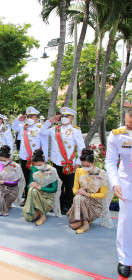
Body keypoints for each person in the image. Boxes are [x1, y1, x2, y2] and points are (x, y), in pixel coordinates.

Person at [39, 107, 85, 215]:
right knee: (57, 184)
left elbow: (81, 148)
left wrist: (78, 162)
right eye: (62, 116)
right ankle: (57, 204)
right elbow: (42, 132)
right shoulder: (54, 129)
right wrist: (50, 121)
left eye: (66, 116)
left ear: (71, 118)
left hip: (69, 163)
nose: (64, 118)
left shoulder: (75, 131)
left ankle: (67, 205)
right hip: (56, 162)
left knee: (68, 185)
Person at [105, 108, 132, 278]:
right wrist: (115, 184)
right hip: (126, 181)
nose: (128, 128)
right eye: (127, 124)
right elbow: (110, 161)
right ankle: (125, 260)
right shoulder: (117, 135)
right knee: (126, 221)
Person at [12, 107, 48, 206]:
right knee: (26, 179)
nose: (30, 118)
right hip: (25, 158)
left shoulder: (40, 128)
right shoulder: (23, 126)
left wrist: (45, 159)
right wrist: (19, 119)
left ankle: (37, 200)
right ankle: (27, 198)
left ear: (37, 118)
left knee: (37, 180)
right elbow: (13, 127)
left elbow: (45, 144)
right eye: (28, 116)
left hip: (36, 160)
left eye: (32, 116)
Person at [66, 148, 107, 234]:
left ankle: (84, 224)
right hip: (81, 197)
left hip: (94, 202)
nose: (85, 168)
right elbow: (74, 189)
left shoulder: (99, 173)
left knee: (80, 198)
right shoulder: (79, 171)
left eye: (88, 166)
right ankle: (82, 221)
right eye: (83, 166)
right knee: (78, 197)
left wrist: (88, 194)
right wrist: (79, 192)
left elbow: (103, 194)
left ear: (93, 163)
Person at [22, 149, 58, 226]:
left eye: (39, 165)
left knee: (34, 190)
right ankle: (38, 211)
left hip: (47, 199)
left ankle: (42, 216)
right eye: (35, 165)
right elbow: (28, 185)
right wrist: (31, 185)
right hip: (35, 199)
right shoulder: (33, 168)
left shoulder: (51, 170)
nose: (38, 167)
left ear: (44, 162)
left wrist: (39, 188)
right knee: (29, 218)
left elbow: (54, 189)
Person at [0, 145, 25, 216]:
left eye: (4, 160)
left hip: (11, 191)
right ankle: (4, 204)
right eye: (1, 160)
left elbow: (15, 182)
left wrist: (2, 181)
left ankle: (5, 204)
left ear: (9, 157)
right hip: (1, 189)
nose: (2, 162)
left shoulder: (15, 166)